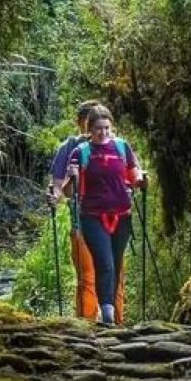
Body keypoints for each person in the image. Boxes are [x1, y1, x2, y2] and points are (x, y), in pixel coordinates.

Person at [67, 104, 147, 326]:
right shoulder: (80, 152)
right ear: (89, 129)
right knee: (105, 263)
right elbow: (68, 191)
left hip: (122, 215)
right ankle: (108, 316)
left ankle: (109, 315)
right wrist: (72, 176)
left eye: (107, 128)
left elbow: (134, 174)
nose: (103, 133)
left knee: (116, 263)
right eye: (98, 128)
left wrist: (141, 180)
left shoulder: (122, 147)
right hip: (92, 217)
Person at [47, 100, 102, 321]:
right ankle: (87, 327)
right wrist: (54, 196)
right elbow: (59, 186)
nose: (91, 127)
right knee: (87, 278)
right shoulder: (68, 148)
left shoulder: (114, 146)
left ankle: (115, 325)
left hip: (112, 222)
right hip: (81, 222)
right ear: (79, 122)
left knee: (114, 276)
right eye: (87, 121)